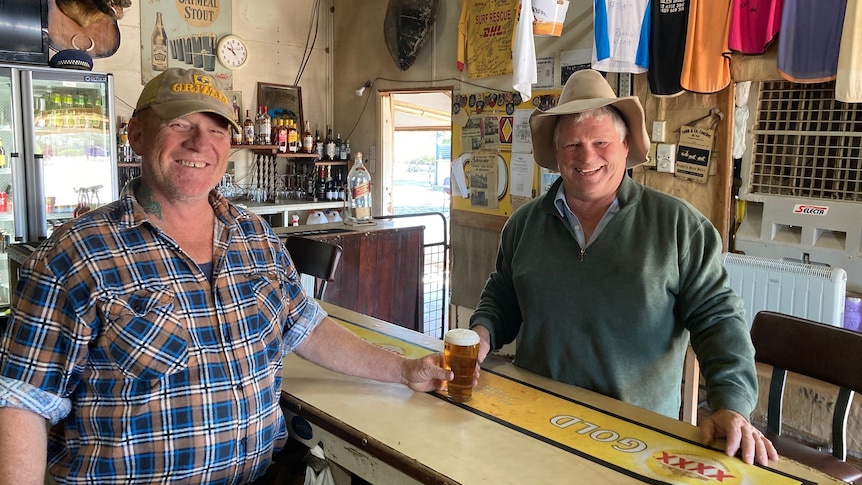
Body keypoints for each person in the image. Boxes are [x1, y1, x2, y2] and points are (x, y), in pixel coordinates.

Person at [0, 68, 453, 484]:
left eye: (217, 129)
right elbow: (23, 402)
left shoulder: (255, 237)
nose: (201, 143)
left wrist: (403, 368)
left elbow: (307, 327)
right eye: (180, 124)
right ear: (136, 134)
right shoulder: (75, 254)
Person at [469, 69, 779, 467]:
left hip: (637, 439)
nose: (587, 157)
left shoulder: (680, 227)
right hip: (535, 421)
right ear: (557, 151)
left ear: (626, 144)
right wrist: (480, 333)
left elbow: (718, 320)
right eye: (572, 145)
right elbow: (504, 295)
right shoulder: (524, 224)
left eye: (601, 142)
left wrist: (732, 404)